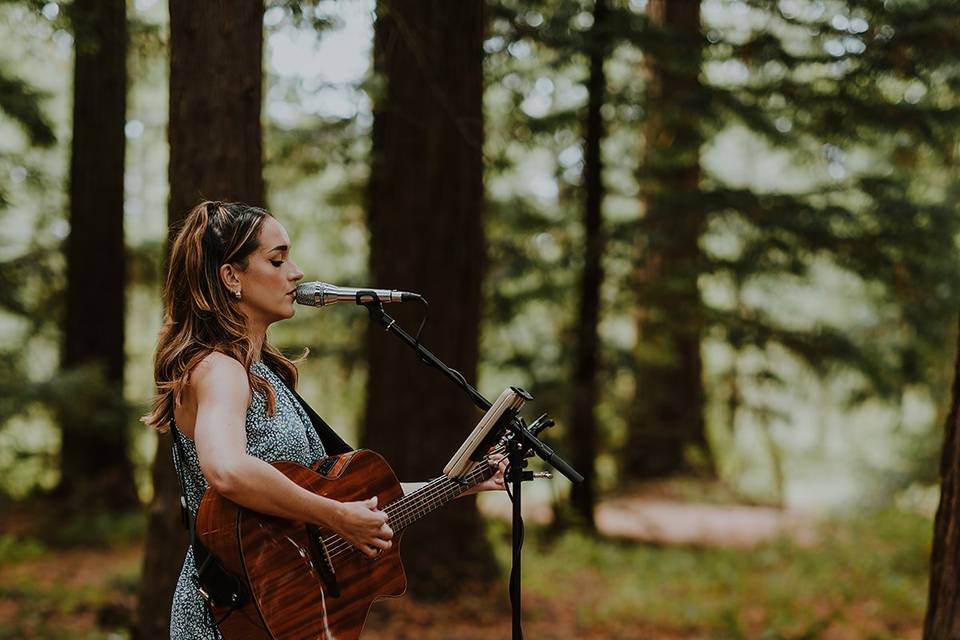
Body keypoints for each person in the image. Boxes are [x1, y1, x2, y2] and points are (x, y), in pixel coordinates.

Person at [142, 201, 505, 640]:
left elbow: (339, 499)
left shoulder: (262, 372)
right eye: (277, 259)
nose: (295, 272)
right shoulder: (219, 368)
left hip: (287, 611)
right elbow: (228, 470)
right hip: (234, 617)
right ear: (231, 276)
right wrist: (335, 516)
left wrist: (458, 482)